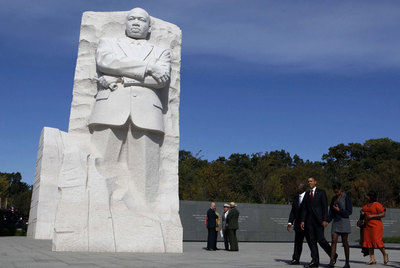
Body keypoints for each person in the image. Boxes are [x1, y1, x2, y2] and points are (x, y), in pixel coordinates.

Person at [89, 7, 171, 209]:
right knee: (99, 163)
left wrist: (120, 76)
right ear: (125, 23)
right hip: (109, 107)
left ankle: (145, 213)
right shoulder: (109, 43)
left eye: (141, 20)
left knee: (145, 171)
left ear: (149, 26)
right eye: (132, 19)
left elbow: (161, 80)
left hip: (147, 112)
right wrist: (148, 67)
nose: (136, 22)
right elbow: (106, 62)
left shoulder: (162, 51)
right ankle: (97, 209)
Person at [301, 177, 336, 268]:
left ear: (315, 182)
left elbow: (325, 207)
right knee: (312, 241)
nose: (309, 183)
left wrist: (325, 220)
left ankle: (333, 255)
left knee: (321, 240)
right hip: (309, 221)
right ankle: (315, 261)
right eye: (308, 182)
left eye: (311, 181)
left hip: (319, 221)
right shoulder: (307, 194)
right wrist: (302, 220)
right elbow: (304, 208)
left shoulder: (321, 192)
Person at [327, 183, 352, 268]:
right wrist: (327, 221)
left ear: (340, 189)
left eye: (337, 191)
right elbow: (331, 211)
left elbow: (349, 211)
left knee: (345, 242)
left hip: (344, 221)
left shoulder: (346, 197)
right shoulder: (334, 198)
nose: (336, 193)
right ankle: (331, 262)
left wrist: (340, 210)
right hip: (336, 222)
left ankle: (347, 263)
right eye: (335, 192)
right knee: (333, 241)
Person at [361, 191, 389, 265]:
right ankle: (372, 259)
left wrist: (373, 216)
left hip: (376, 226)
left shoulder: (377, 204)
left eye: (367, 196)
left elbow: (383, 214)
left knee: (377, 241)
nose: (366, 197)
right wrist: (362, 213)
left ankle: (385, 254)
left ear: (370, 197)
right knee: (368, 242)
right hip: (367, 226)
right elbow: (363, 211)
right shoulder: (366, 205)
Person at [287, 183, 307, 265]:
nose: (296, 188)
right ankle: (295, 259)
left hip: (307, 224)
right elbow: (293, 212)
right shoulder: (295, 198)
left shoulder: (308, 196)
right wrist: (290, 222)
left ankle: (315, 260)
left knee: (312, 242)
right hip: (298, 225)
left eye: (298, 187)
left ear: (302, 188)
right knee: (298, 242)